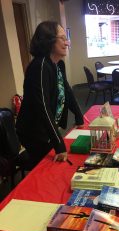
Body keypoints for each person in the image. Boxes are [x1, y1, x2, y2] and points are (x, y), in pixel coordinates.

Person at [16, 21, 84, 168]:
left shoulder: (58, 64)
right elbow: (43, 107)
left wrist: (79, 117)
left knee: (56, 165)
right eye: (63, 38)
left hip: (47, 127)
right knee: (47, 169)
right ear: (49, 40)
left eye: (67, 39)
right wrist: (59, 145)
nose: (67, 43)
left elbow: (67, 91)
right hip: (34, 132)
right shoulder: (39, 67)